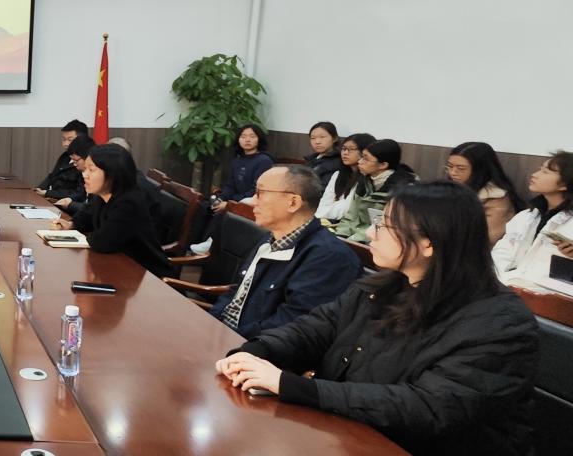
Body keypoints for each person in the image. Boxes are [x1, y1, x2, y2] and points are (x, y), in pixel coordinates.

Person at [216, 182, 539, 456]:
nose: (370, 232)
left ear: (428, 243)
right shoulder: (383, 286)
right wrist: (257, 351)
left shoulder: (500, 323)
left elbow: (429, 406)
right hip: (349, 434)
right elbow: (316, 329)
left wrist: (294, 386)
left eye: (384, 225)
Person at [209, 165, 362, 338]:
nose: (252, 201)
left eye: (260, 193)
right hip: (226, 335)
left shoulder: (329, 257)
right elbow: (236, 291)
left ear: (293, 202)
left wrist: (228, 338)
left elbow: (290, 327)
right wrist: (211, 324)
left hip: (252, 347)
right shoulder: (270, 238)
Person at [50, 144, 172, 277]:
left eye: (91, 170)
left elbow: (102, 242)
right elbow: (86, 217)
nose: (85, 175)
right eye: (85, 169)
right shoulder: (104, 194)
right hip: (121, 267)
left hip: (149, 276)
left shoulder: (129, 202)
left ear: (112, 174)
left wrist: (89, 235)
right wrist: (71, 224)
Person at [493, 151, 573, 289]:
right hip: (508, 286)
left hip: (548, 294)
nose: (535, 175)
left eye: (546, 172)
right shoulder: (526, 216)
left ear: (564, 184)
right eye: (540, 169)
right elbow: (501, 252)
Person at [191, 124, 276, 254]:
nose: (247, 140)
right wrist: (221, 199)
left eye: (252, 136)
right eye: (243, 136)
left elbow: (256, 190)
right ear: (238, 139)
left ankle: (210, 247)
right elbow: (230, 185)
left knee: (223, 212)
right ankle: (192, 246)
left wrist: (230, 204)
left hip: (251, 203)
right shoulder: (237, 160)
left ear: (259, 139)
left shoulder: (264, 160)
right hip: (234, 200)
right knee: (203, 206)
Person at [332, 139, 418, 242]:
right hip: (356, 237)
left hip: (378, 240)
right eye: (361, 157)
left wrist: (353, 240)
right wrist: (340, 236)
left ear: (383, 165)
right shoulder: (364, 180)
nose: (359, 162)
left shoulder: (404, 188)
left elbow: (387, 227)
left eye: (366, 159)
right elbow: (350, 216)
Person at [445, 141, 524, 246]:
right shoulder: (451, 188)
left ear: (479, 170)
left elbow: (489, 239)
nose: (453, 172)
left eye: (461, 169)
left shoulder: (495, 199)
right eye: (450, 166)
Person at [316, 133, 376, 222]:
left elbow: (347, 208)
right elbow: (324, 203)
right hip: (328, 220)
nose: (345, 153)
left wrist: (321, 214)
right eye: (343, 149)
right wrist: (319, 216)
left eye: (351, 149)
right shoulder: (338, 174)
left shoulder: (366, 178)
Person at [36, 119, 88, 197]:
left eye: (70, 140)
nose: (65, 144)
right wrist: (38, 190)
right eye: (64, 139)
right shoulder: (65, 156)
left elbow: (80, 194)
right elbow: (52, 176)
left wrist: (47, 193)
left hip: (67, 202)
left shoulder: (87, 160)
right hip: (52, 198)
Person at [50, 134, 95, 213]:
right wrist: (69, 199)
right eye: (72, 160)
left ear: (88, 157)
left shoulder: (98, 177)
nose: (74, 164)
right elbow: (81, 193)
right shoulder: (82, 171)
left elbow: (93, 209)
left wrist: (70, 204)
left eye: (76, 160)